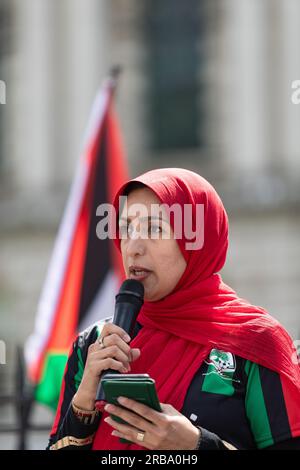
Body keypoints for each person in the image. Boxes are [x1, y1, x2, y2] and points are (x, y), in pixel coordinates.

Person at [47, 168, 300, 450]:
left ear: (198, 240)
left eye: (155, 228)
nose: (134, 247)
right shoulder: (95, 343)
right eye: (127, 228)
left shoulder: (256, 342)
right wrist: (84, 400)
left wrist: (196, 444)